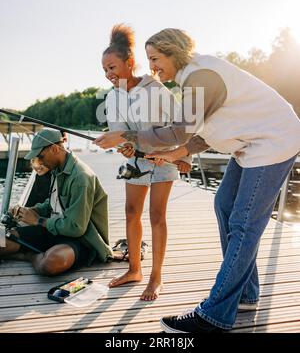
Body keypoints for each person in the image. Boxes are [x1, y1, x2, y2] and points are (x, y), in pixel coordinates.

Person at [95, 28, 300, 332]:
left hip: (273, 142)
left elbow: (179, 130)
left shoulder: (201, 77)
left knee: (244, 224)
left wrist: (126, 135)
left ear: (173, 52)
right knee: (225, 206)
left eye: (155, 58)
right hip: (252, 143)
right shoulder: (191, 78)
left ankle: (215, 315)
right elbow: (199, 131)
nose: (152, 66)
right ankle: (245, 295)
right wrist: (179, 152)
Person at [102, 24, 191, 301]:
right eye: (105, 70)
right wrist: (125, 147)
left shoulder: (156, 88)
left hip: (164, 158)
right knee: (131, 211)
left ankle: (156, 277)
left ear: (129, 63)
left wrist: (184, 156)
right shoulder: (111, 97)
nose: (109, 74)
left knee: (156, 215)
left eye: (113, 67)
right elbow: (120, 133)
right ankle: (134, 270)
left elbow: (183, 123)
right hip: (136, 161)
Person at [0, 128, 113, 275]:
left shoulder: (80, 178)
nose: (39, 162)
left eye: (40, 156)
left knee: (50, 263)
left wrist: (38, 220)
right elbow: (53, 202)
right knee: (1, 240)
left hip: (81, 239)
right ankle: (36, 254)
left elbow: (76, 228)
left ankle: (29, 255)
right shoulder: (56, 168)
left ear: (54, 149)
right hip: (53, 229)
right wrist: (31, 210)